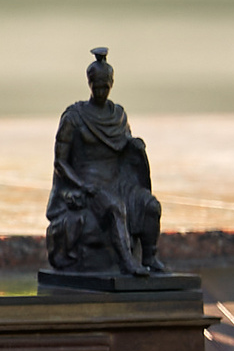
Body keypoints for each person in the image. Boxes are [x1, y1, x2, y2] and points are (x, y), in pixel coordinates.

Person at [45, 47, 168, 276]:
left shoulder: (118, 115)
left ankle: (150, 256)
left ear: (111, 84)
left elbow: (124, 148)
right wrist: (82, 186)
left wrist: (135, 146)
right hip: (90, 184)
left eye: (106, 86)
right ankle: (127, 263)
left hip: (117, 181)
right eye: (97, 86)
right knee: (114, 207)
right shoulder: (74, 117)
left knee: (151, 205)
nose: (101, 91)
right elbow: (60, 163)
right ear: (90, 84)